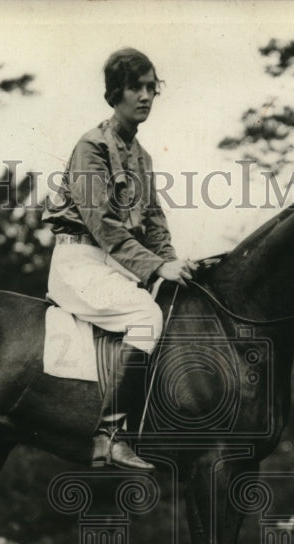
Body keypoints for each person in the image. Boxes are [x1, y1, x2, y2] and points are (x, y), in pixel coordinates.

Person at [44, 48, 195, 470]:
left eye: (152, 88)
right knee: (145, 316)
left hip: (115, 264)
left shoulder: (141, 157)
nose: (145, 96)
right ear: (115, 93)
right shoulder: (90, 147)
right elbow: (103, 224)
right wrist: (155, 267)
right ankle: (108, 434)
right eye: (136, 87)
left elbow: (153, 220)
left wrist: (173, 264)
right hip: (79, 263)